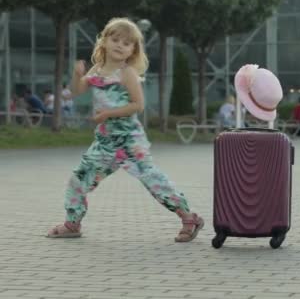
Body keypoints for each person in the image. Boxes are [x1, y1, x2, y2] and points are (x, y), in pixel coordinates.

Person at [47, 18, 203, 242]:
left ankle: (190, 219)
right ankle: (72, 223)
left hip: (130, 142)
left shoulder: (126, 73)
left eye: (127, 43)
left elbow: (137, 106)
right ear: (104, 41)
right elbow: (75, 91)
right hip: (105, 143)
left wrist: (107, 114)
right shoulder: (97, 70)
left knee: (154, 181)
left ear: (133, 50)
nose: (120, 45)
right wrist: (76, 74)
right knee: (79, 179)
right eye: (115, 39)